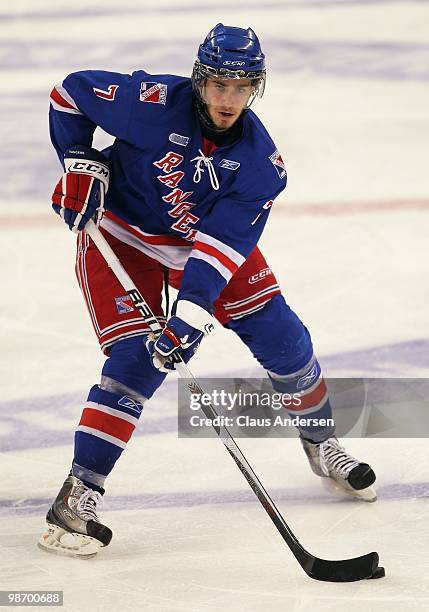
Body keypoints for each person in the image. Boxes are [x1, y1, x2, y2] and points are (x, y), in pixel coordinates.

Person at [39, 24, 376, 558]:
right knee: (136, 361)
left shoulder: (261, 166)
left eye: (242, 87)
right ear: (199, 80)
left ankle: (320, 442)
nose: (228, 99)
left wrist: (189, 320)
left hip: (203, 244)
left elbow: (220, 251)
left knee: (285, 340)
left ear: (256, 87)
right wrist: (79, 160)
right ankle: (77, 495)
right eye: (219, 84)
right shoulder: (148, 103)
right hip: (124, 236)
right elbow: (69, 94)